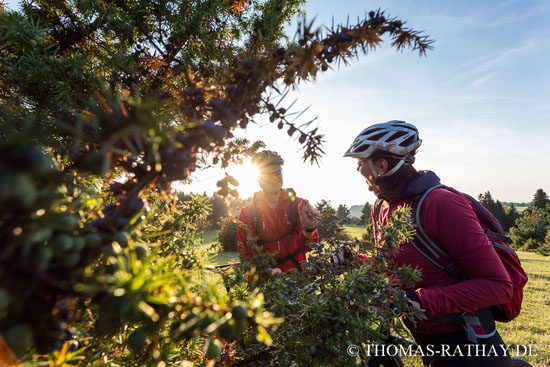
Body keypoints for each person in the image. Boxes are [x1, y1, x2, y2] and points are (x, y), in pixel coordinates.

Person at [343, 121, 514, 367]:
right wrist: (353, 262)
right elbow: (396, 269)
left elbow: (498, 286)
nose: (358, 170)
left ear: (381, 165)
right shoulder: (382, 207)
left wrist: (420, 301)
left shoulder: (441, 204)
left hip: (466, 340)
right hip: (424, 334)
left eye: (360, 163)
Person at [237, 150, 319, 274]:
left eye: (277, 171)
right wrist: (266, 271)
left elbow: (308, 246)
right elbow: (246, 256)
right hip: (266, 286)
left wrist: (309, 228)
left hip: (299, 281)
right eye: (267, 174)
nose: (274, 177)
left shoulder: (299, 205)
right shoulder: (247, 214)